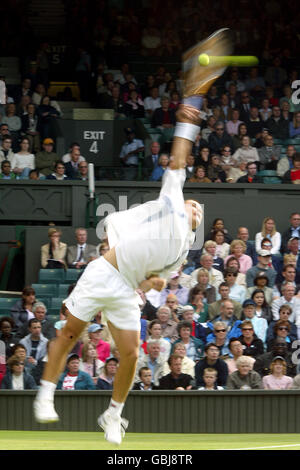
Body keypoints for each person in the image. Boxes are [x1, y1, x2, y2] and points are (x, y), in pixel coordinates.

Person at [33, 33, 223, 446]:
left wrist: (148, 285)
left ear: (197, 225)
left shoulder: (179, 256)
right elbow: (180, 150)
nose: (193, 207)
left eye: (198, 211)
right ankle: (45, 393)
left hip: (124, 290)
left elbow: (155, 281)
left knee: (133, 356)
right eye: (192, 203)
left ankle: (112, 415)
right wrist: (194, 99)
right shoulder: (172, 198)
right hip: (104, 273)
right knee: (69, 334)